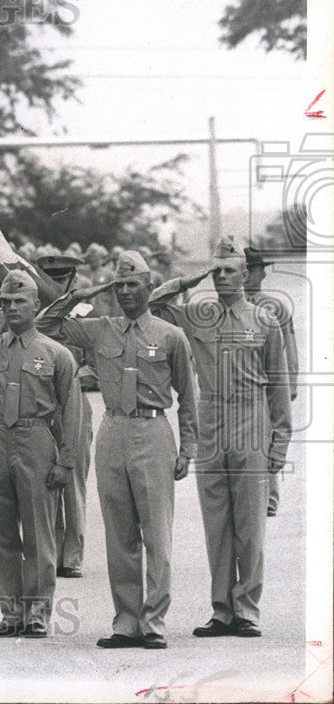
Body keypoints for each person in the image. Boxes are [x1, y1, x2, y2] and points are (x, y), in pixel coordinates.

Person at [36, 250, 198, 650]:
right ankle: (126, 620)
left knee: (156, 533)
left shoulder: (169, 335)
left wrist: (188, 446)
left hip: (153, 430)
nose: (126, 292)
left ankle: (154, 621)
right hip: (113, 430)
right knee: (120, 534)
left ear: (148, 286)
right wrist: (81, 294)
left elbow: (188, 396)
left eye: (133, 284)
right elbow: (46, 324)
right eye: (119, 285)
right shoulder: (99, 329)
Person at [149, 236, 291, 638]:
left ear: (245, 275)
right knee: (218, 523)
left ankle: (247, 609)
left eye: (230, 270)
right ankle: (222, 610)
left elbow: (278, 386)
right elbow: (155, 305)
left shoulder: (266, 321)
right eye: (218, 270)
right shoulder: (199, 315)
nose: (223, 277)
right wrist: (190, 278)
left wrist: (279, 442)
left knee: (250, 524)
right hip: (211, 421)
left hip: (251, 421)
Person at [0, 271, 81, 638]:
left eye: (21, 301)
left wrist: (66, 460)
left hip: (36, 437)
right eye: (5, 301)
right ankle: (11, 613)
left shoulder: (56, 354)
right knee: (1, 534)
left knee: (39, 531)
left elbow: (71, 411)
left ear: (37, 305)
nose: (12, 307)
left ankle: (37, 612)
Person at [35, 251, 95, 579]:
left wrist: (71, 377)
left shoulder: (84, 317)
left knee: (72, 478)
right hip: (42, 407)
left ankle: (72, 554)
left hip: (73, 402)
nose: (54, 286)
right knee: (44, 478)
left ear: (72, 281)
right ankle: (50, 550)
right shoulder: (36, 318)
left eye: (60, 280)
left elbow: (100, 363)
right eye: (48, 279)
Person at [244, 245, 299, 517]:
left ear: (261, 274)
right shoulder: (228, 305)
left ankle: (270, 498)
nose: (247, 275)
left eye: (252, 269)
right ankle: (248, 492)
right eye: (243, 269)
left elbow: (289, 344)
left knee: (269, 437)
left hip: (269, 382)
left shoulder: (275, 306)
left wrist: (292, 382)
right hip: (243, 383)